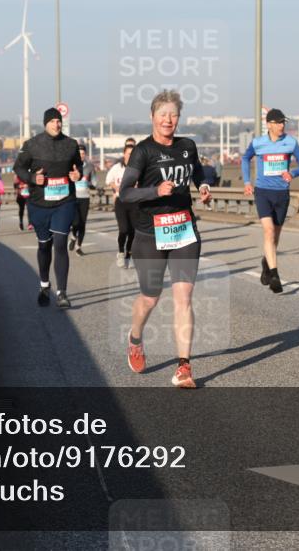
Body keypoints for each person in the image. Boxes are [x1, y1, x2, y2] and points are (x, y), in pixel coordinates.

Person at [119, 90, 212, 389]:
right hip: (149, 234)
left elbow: (196, 171)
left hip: (183, 230)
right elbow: (125, 192)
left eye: (173, 115)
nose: (168, 120)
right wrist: (155, 191)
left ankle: (183, 367)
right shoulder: (143, 152)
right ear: (153, 117)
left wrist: (204, 185)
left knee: (183, 298)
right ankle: (135, 338)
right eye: (163, 115)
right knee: (150, 298)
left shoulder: (187, 146)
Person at [13, 107, 83, 308]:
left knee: (60, 242)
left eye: (59, 120)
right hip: (39, 204)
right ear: (45, 123)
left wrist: (77, 176)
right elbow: (17, 168)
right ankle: (44, 284)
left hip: (64, 201)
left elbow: (77, 169)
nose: (56, 124)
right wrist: (33, 178)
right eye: (52, 121)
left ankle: (62, 293)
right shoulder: (32, 145)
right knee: (44, 245)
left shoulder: (71, 145)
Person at [241, 109, 299, 293]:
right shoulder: (258, 143)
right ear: (269, 124)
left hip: (282, 194)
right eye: (278, 122)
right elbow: (245, 158)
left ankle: (266, 261)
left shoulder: (290, 142)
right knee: (269, 231)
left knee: (275, 236)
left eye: (283, 122)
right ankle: (275, 275)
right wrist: (247, 182)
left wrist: (292, 173)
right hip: (263, 192)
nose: (281, 126)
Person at [105, 143, 136, 268]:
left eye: (133, 154)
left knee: (133, 231)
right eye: (129, 154)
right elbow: (108, 180)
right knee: (124, 229)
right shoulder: (118, 167)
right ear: (124, 154)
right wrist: (115, 187)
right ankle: (121, 252)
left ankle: (129, 254)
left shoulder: (139, 168)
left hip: (134, 201)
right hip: (121, 201)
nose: (131, 156)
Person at [69, 144, 97, 255]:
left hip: (85, 197)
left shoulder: (89, 166)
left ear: (85, 154)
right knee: (75, 222)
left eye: (83, 153)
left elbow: (94, 180)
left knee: (83, 223)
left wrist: (91, 184)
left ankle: (78, 247)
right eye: (79, 154)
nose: (81, 156)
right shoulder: (71, 166)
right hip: (73, 197)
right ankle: (73, 236)